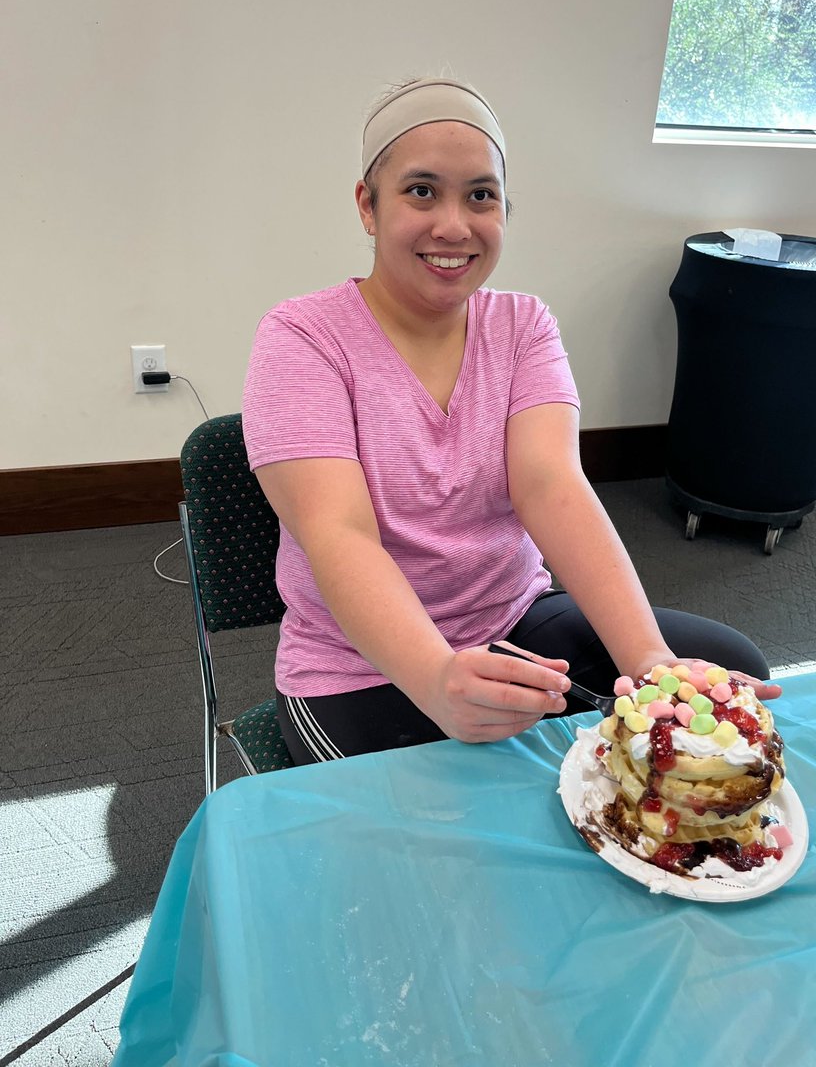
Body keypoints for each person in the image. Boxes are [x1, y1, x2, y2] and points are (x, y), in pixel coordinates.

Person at [243, 76, 779, 766]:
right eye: (421, 191)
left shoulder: (523, 326)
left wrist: (649, 663)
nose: (454, 226)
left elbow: (552, 486)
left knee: (721, 670)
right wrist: (438, 678)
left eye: (481, 196)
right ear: (367, 206)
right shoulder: (303, 338)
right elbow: (337, 532)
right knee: (445, 847)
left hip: (513, 622)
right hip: (359, 665)